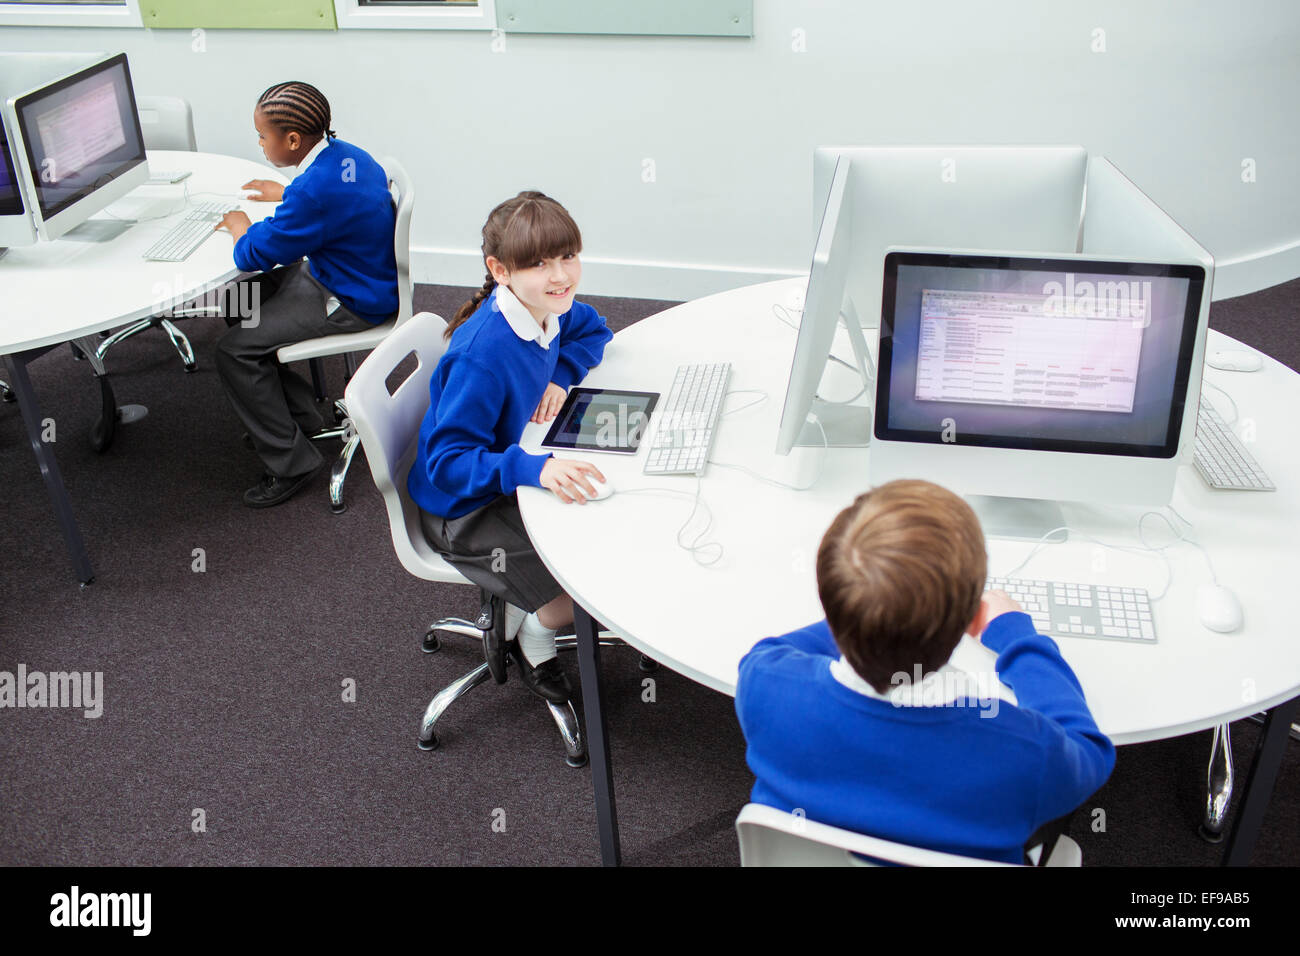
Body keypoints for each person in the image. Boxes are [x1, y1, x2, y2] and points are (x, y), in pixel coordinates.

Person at [735, 479, 1116, 864]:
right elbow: (1090, 751)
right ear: (974, 620)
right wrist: (1017, 637)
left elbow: (775, 649)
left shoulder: (763, 684)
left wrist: (867, 606)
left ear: (829, 605)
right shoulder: (1025, 751)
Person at [408, 191, 613, 703]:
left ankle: (526, 612)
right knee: (598, 574)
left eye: (567, 256)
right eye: (540, 264)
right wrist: (533, 469)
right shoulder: (483, 355)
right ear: (500, 270)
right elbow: (448, 464)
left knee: (606, 520)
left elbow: (595, 329)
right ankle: (536, 636)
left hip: (504, 469)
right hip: (462, 507)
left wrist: (562, 376)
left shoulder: (547, 308)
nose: (561, 275)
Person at [214, 81, 398, 508]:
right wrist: (286, 193)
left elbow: (254, 254)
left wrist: (241, 224)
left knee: (233, 350)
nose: (260, 143)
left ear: (292, 140)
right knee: (239, 305)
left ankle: (290, 463)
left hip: (348, 298)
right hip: (349, 273)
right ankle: (296, 417)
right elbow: (336, 197)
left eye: (263, 136)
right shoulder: (347, 153)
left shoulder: (313, 192)